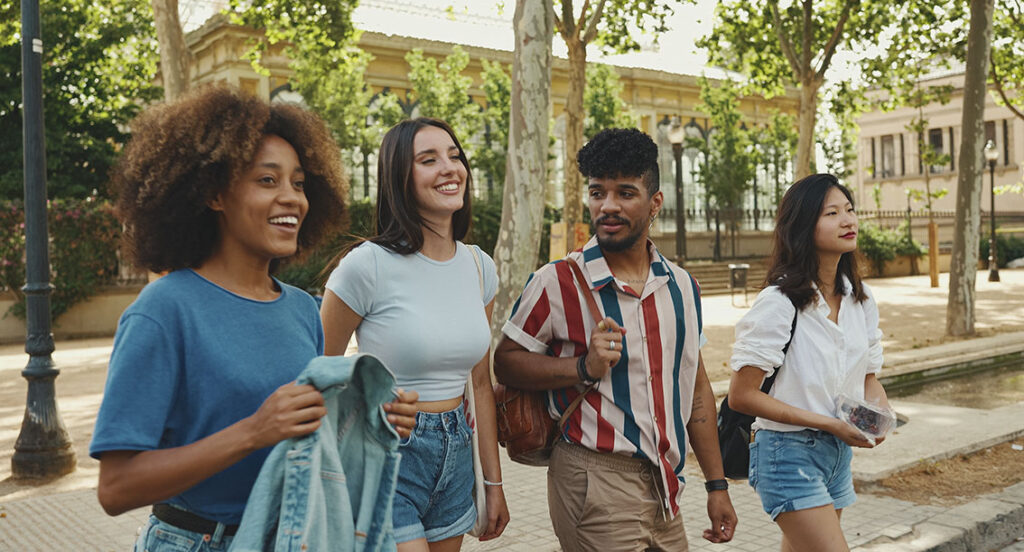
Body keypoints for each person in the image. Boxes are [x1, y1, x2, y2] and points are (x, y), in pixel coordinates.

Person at [90, 85, 418, 551]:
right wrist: (252, 432)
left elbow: (307, 438)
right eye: (268, 180)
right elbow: (115, 488)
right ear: (214, 194)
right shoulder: (163, 311)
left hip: (289, 535)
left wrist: (372, 419)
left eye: (299, 183)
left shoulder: (303, 309)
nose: (292, 199)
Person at [494, 128, 737, 551]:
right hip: (594, 479)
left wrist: (717, 485)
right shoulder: (558, 281)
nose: (608, 206)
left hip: (666, 486)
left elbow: (695, 388)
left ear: (654, 202)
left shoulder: (683, 287)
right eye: (597, 192)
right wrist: (582, 367)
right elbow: (506, 361)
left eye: (625, 193)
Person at [320, 117, 510, 551]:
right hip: (388, 455)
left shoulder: (480, 267)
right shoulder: (365, 266)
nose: (449, 168)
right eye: (428, 160)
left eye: (454, 155)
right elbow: (316, 374)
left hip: (457, 454)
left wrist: (493, 482)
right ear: (400, 180)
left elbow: (480, 383)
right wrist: (366, 416)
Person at [727, 173, 892, 552]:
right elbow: (741, 395)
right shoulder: (779, 302)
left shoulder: (860, 302)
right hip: (787, 454)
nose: (848, 220)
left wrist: (880, 412)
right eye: (831, 213)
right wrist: (830, 423)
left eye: (849, 209)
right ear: (803, 226)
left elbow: (869, 377)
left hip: (837, 456)